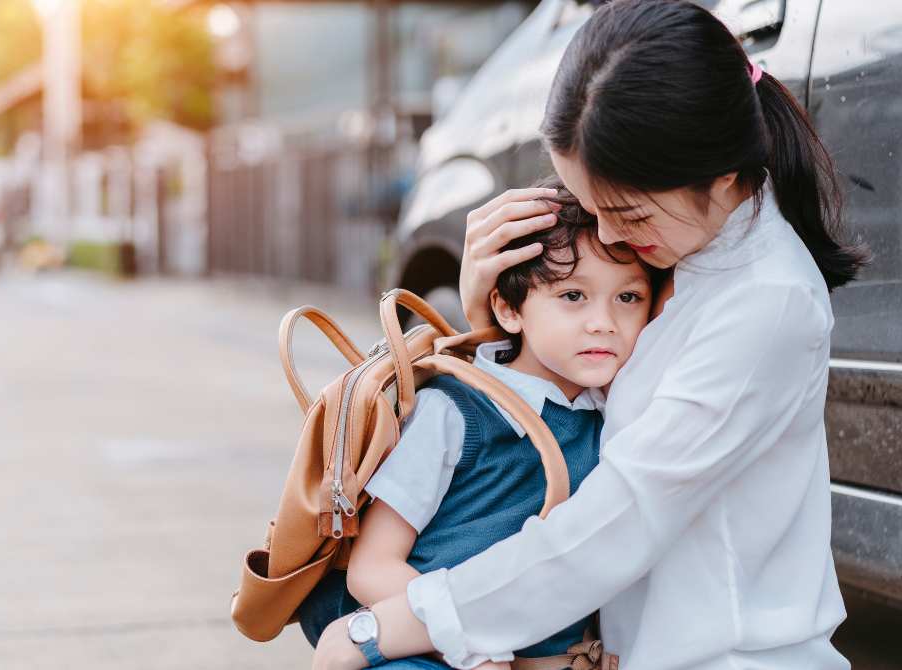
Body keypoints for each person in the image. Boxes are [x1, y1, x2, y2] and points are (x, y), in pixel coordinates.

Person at [313, 1, 868, 669]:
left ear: (721, 175)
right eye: (594, 209)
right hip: (633, 647)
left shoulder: (765, 303)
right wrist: (491, 316)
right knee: (329, 603)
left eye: (625, 212)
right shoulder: (690, 255)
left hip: (728, 658)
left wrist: (393, 627)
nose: (605, 236)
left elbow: (618, 520)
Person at [299, 181, 655, 670]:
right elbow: (371, 567)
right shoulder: (455, 412)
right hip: (426, 651)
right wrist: (467, 645)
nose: (604, 322)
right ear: (509, 309)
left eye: (629, 298)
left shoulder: (615, 418)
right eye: (574, 296)